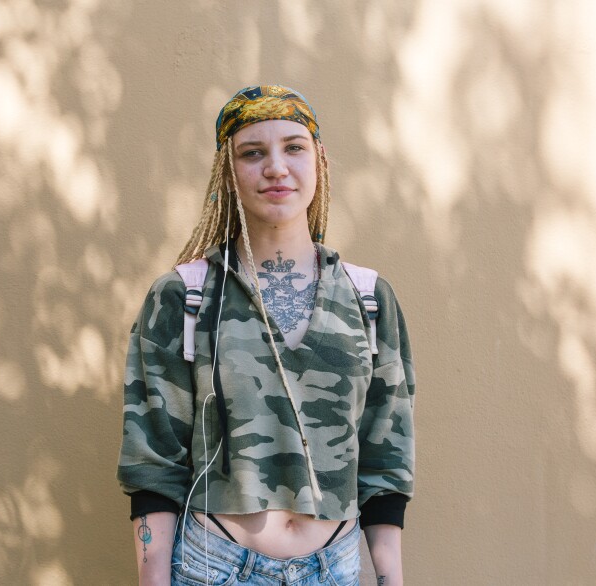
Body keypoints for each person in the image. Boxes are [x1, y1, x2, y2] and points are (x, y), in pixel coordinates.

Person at [117, 85, 415, 585]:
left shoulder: (368, 299)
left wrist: (391, 580)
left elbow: (386, 456)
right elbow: (153, 462)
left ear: (319, 161)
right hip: (217, 567)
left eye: (293, 147)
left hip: (334, 568)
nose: (276, 167)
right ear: (227, 173)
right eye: (252, 153)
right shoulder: (183, 296)